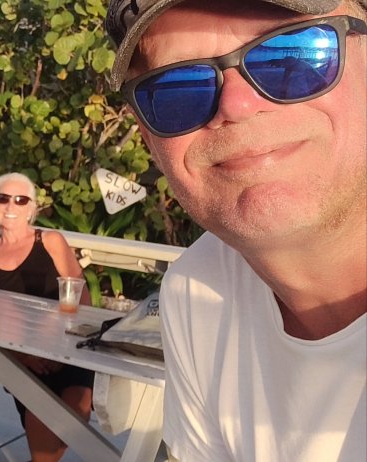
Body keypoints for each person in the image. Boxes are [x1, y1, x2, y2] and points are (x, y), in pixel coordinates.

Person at [106, 0, 366, 460]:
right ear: (149, 138)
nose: (236, 105)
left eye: (293, 54)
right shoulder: (198, 292)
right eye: (177, 88)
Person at [0, 173, 92, 462]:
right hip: (22, 358)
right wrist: (21, 356)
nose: (10, 206)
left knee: (77, 411)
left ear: (32, 208)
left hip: (65, 349)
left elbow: (82, 297)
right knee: (41, 417)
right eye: (3, 198)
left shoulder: (50, 241)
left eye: (20, 199)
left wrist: (65, 347)